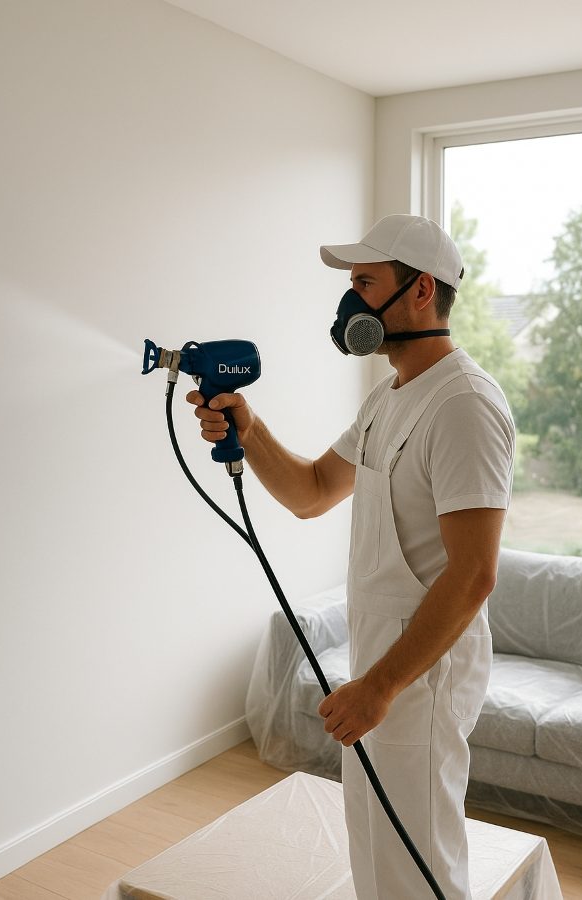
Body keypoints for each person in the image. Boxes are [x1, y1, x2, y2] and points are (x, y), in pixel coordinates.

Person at [187, 214, 515, 899]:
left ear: (420, 291)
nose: (348, 303)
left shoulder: (463, 405)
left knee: (418, 861)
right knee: (376, 849)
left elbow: (472, 573)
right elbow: (309, 493)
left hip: (418, 676)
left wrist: (382, 687)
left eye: (364, 282)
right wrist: (248, 428)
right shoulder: (388, 399)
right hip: (380, 657)